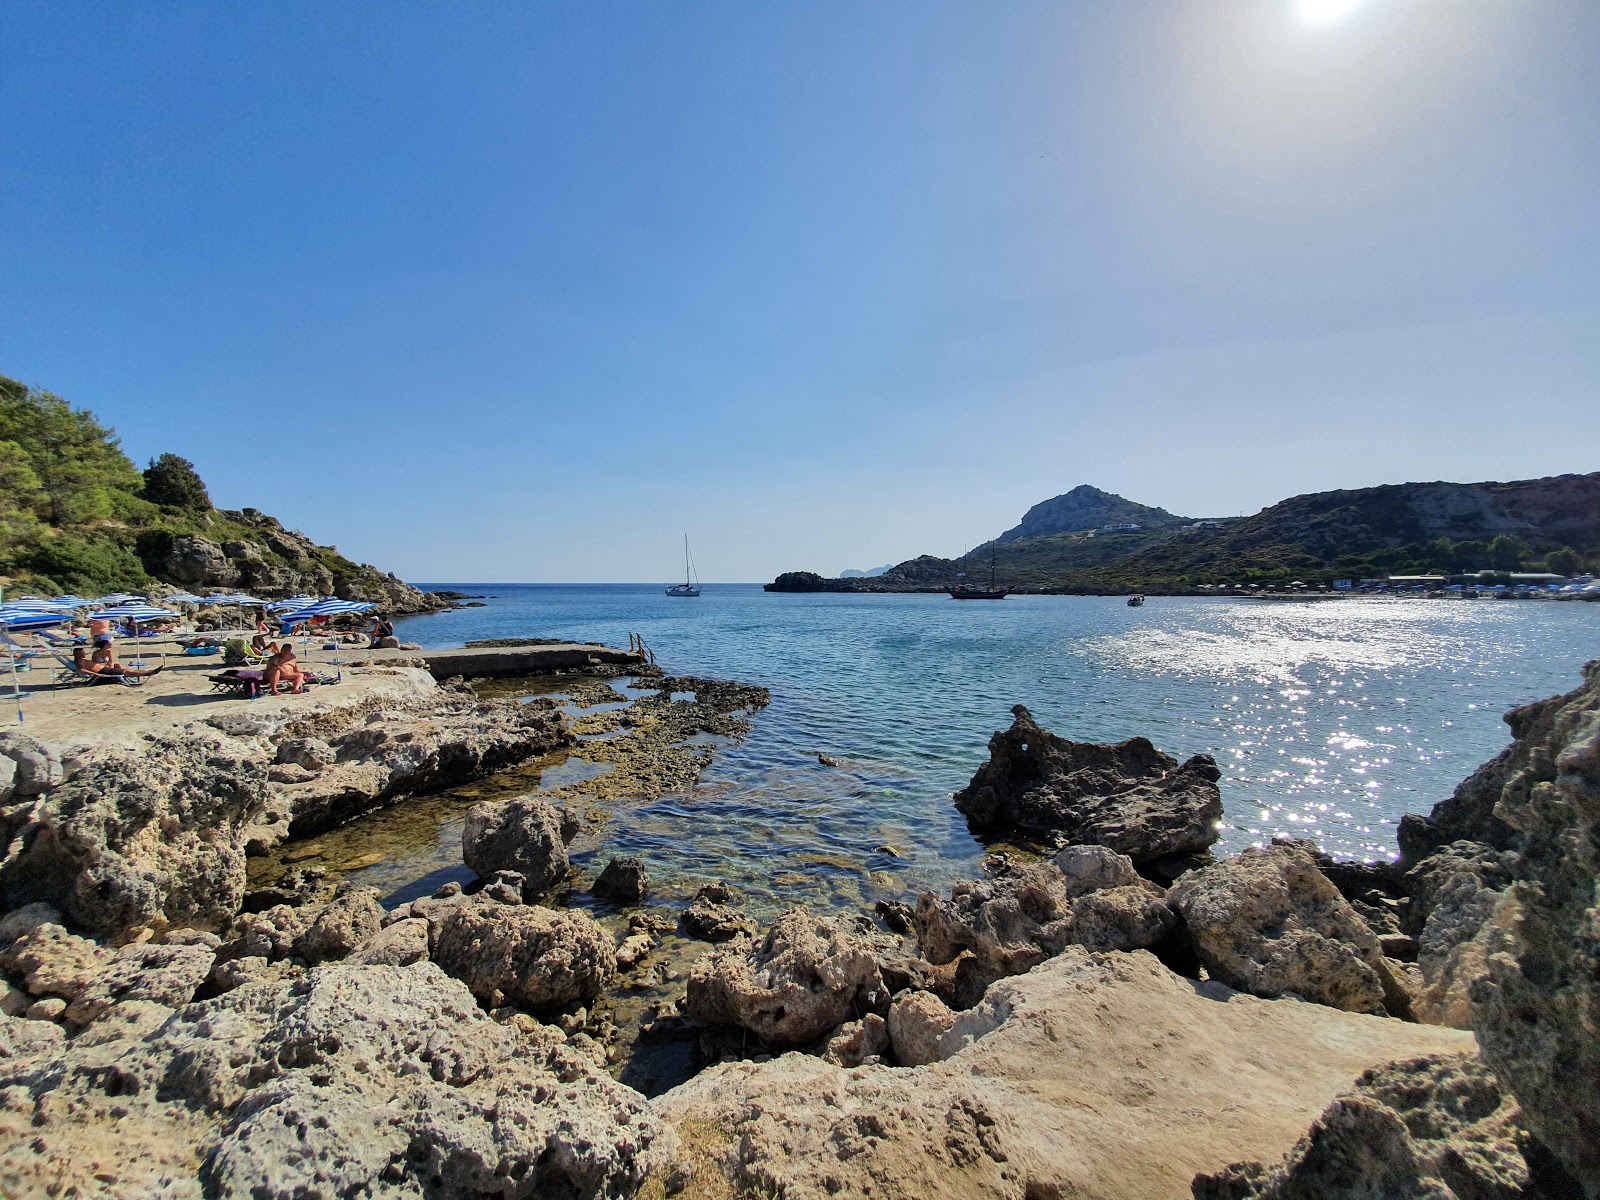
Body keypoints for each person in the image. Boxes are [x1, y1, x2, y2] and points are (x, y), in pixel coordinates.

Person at [75, 645, 162, 679]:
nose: (84, 653)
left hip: (105, 669)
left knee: (126, 670)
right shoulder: (79, 661)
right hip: (103, 671)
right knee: (127, 672)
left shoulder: (81, 660)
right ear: (78, 653)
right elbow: (81, 670)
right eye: (82, 652)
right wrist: (98, 675)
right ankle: (150, 673)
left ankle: (150, 672)